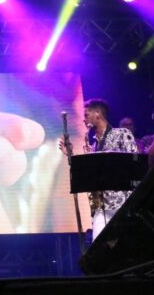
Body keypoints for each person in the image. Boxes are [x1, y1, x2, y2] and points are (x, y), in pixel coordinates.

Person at [60, 98, 138, 239]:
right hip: (101, 207)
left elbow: (135, 165)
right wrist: (71, 156)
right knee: (98, 246)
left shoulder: (122, 133)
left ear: (97, 113)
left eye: (86, 115)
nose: (84, 119)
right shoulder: (94, 145)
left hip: (122, 204)